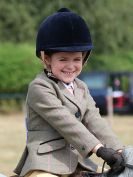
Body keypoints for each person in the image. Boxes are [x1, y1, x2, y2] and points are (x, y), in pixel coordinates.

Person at [14, 8, 125, 177]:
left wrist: (120, 150)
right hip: (46, 162)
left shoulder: (81, 87)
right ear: (47, 59)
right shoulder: (39, 87)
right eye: (63, 59)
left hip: (78, 164)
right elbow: (66, 122)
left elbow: (94, 119)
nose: (71, 66)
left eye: (77, 59)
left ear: (84, 58)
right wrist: (99, 149)